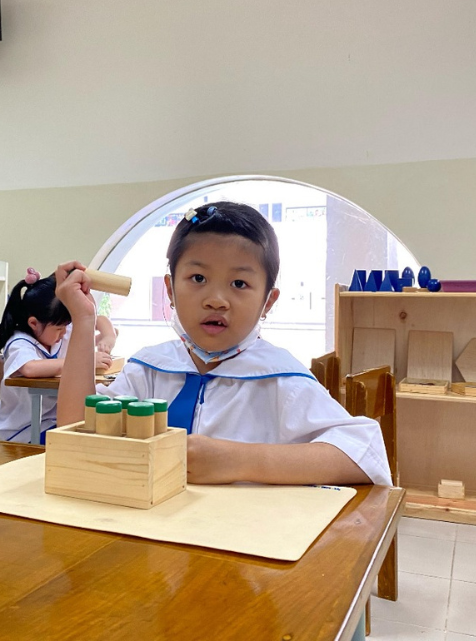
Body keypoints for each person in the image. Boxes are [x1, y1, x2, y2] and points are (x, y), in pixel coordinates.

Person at [55, 201, 391, 486]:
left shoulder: (281, 379)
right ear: (170, 290)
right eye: (198, 278)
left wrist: (240, 460)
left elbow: (364, 454)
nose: (216, 299)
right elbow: (74, 433)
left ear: (268, 301)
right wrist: (83, 321)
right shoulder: (149, 370)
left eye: (239, 283)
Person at [0, 268, 117, 443]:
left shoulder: (58, 331)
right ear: (34, 323)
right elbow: (30, 368)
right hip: (22, 431)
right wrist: (83, 362)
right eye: (59, 328)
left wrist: (108, 336)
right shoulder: (19, 342)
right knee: (80, 441)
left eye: (66, 326)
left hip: (51, 421)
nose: (64, 332)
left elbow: (100, 320)